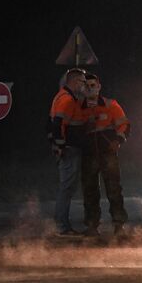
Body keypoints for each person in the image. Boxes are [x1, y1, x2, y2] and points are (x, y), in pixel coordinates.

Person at [80, 72, 130, 235]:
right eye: (87, 86)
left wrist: (118, 141)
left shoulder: (110, 105)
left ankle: (119, 224)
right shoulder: (77, 107)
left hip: (107, 153)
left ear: (99, 87)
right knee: (89, 190)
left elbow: (124, 125)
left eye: (93, 85)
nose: (90, 88)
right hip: (88, 154)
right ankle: (92, 225)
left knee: (114, 188)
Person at [47, 68, 90, 236]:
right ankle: (62, 226)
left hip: (68, 149)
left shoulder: (66, 97)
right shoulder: (67, 100)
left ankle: (62, 224)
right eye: (82, 82)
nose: (84, 85)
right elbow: (58, 125)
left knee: (67, 188)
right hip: (69, 150)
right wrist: (61, 147)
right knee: (67, 188)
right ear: (73, 82)